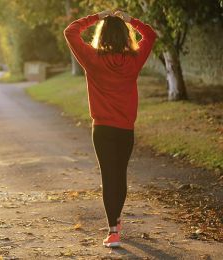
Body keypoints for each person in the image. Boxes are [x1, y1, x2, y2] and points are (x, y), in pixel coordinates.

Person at [63, 10, 157, 248]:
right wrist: (131, 20)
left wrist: (97, 16)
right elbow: (151, 35)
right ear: (125, 36)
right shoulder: (134, 59)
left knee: (109, 176)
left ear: (101, 35)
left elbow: (70, 31)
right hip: (125, 129)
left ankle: (113, 230)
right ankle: (116, 221)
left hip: (102, 130)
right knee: (120, 175)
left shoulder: (92, 58)